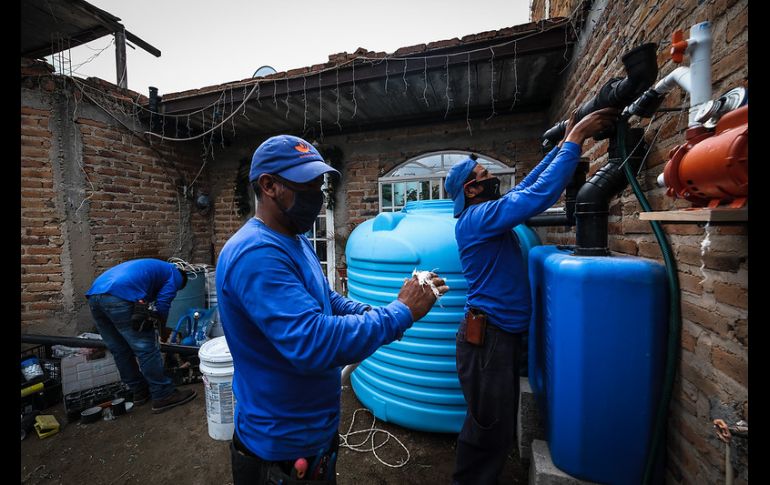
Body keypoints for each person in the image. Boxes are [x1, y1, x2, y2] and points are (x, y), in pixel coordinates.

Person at [216, 134, 448, 485]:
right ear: (269, 185)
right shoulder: (257, 254)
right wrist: (400, 313)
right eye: (306, 184)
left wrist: (374, 311)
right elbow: (313, 342)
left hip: (313, 434)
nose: (317, 194)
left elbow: (327, 299)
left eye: (319, 183)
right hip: (281, 448)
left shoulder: (294, 239)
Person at [445, 108, 620, 484]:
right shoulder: (478, 219)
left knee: (494, 423)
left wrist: (560, 147)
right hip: (486, 341)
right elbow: (535, 197)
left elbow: (526, 189)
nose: (492, 178)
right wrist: (574, 141)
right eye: (483, 176)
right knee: (487, 427)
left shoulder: (486, 214)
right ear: (471, 191)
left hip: (496, 337)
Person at [86, 258, 198, 413]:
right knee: (146, 349)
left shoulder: (155, 269)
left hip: (95, 294)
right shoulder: (176, 275)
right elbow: (163, 304)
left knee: (119, 349)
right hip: (120, 295)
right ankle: (163, 395)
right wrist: (161, 328)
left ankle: (139, 391)